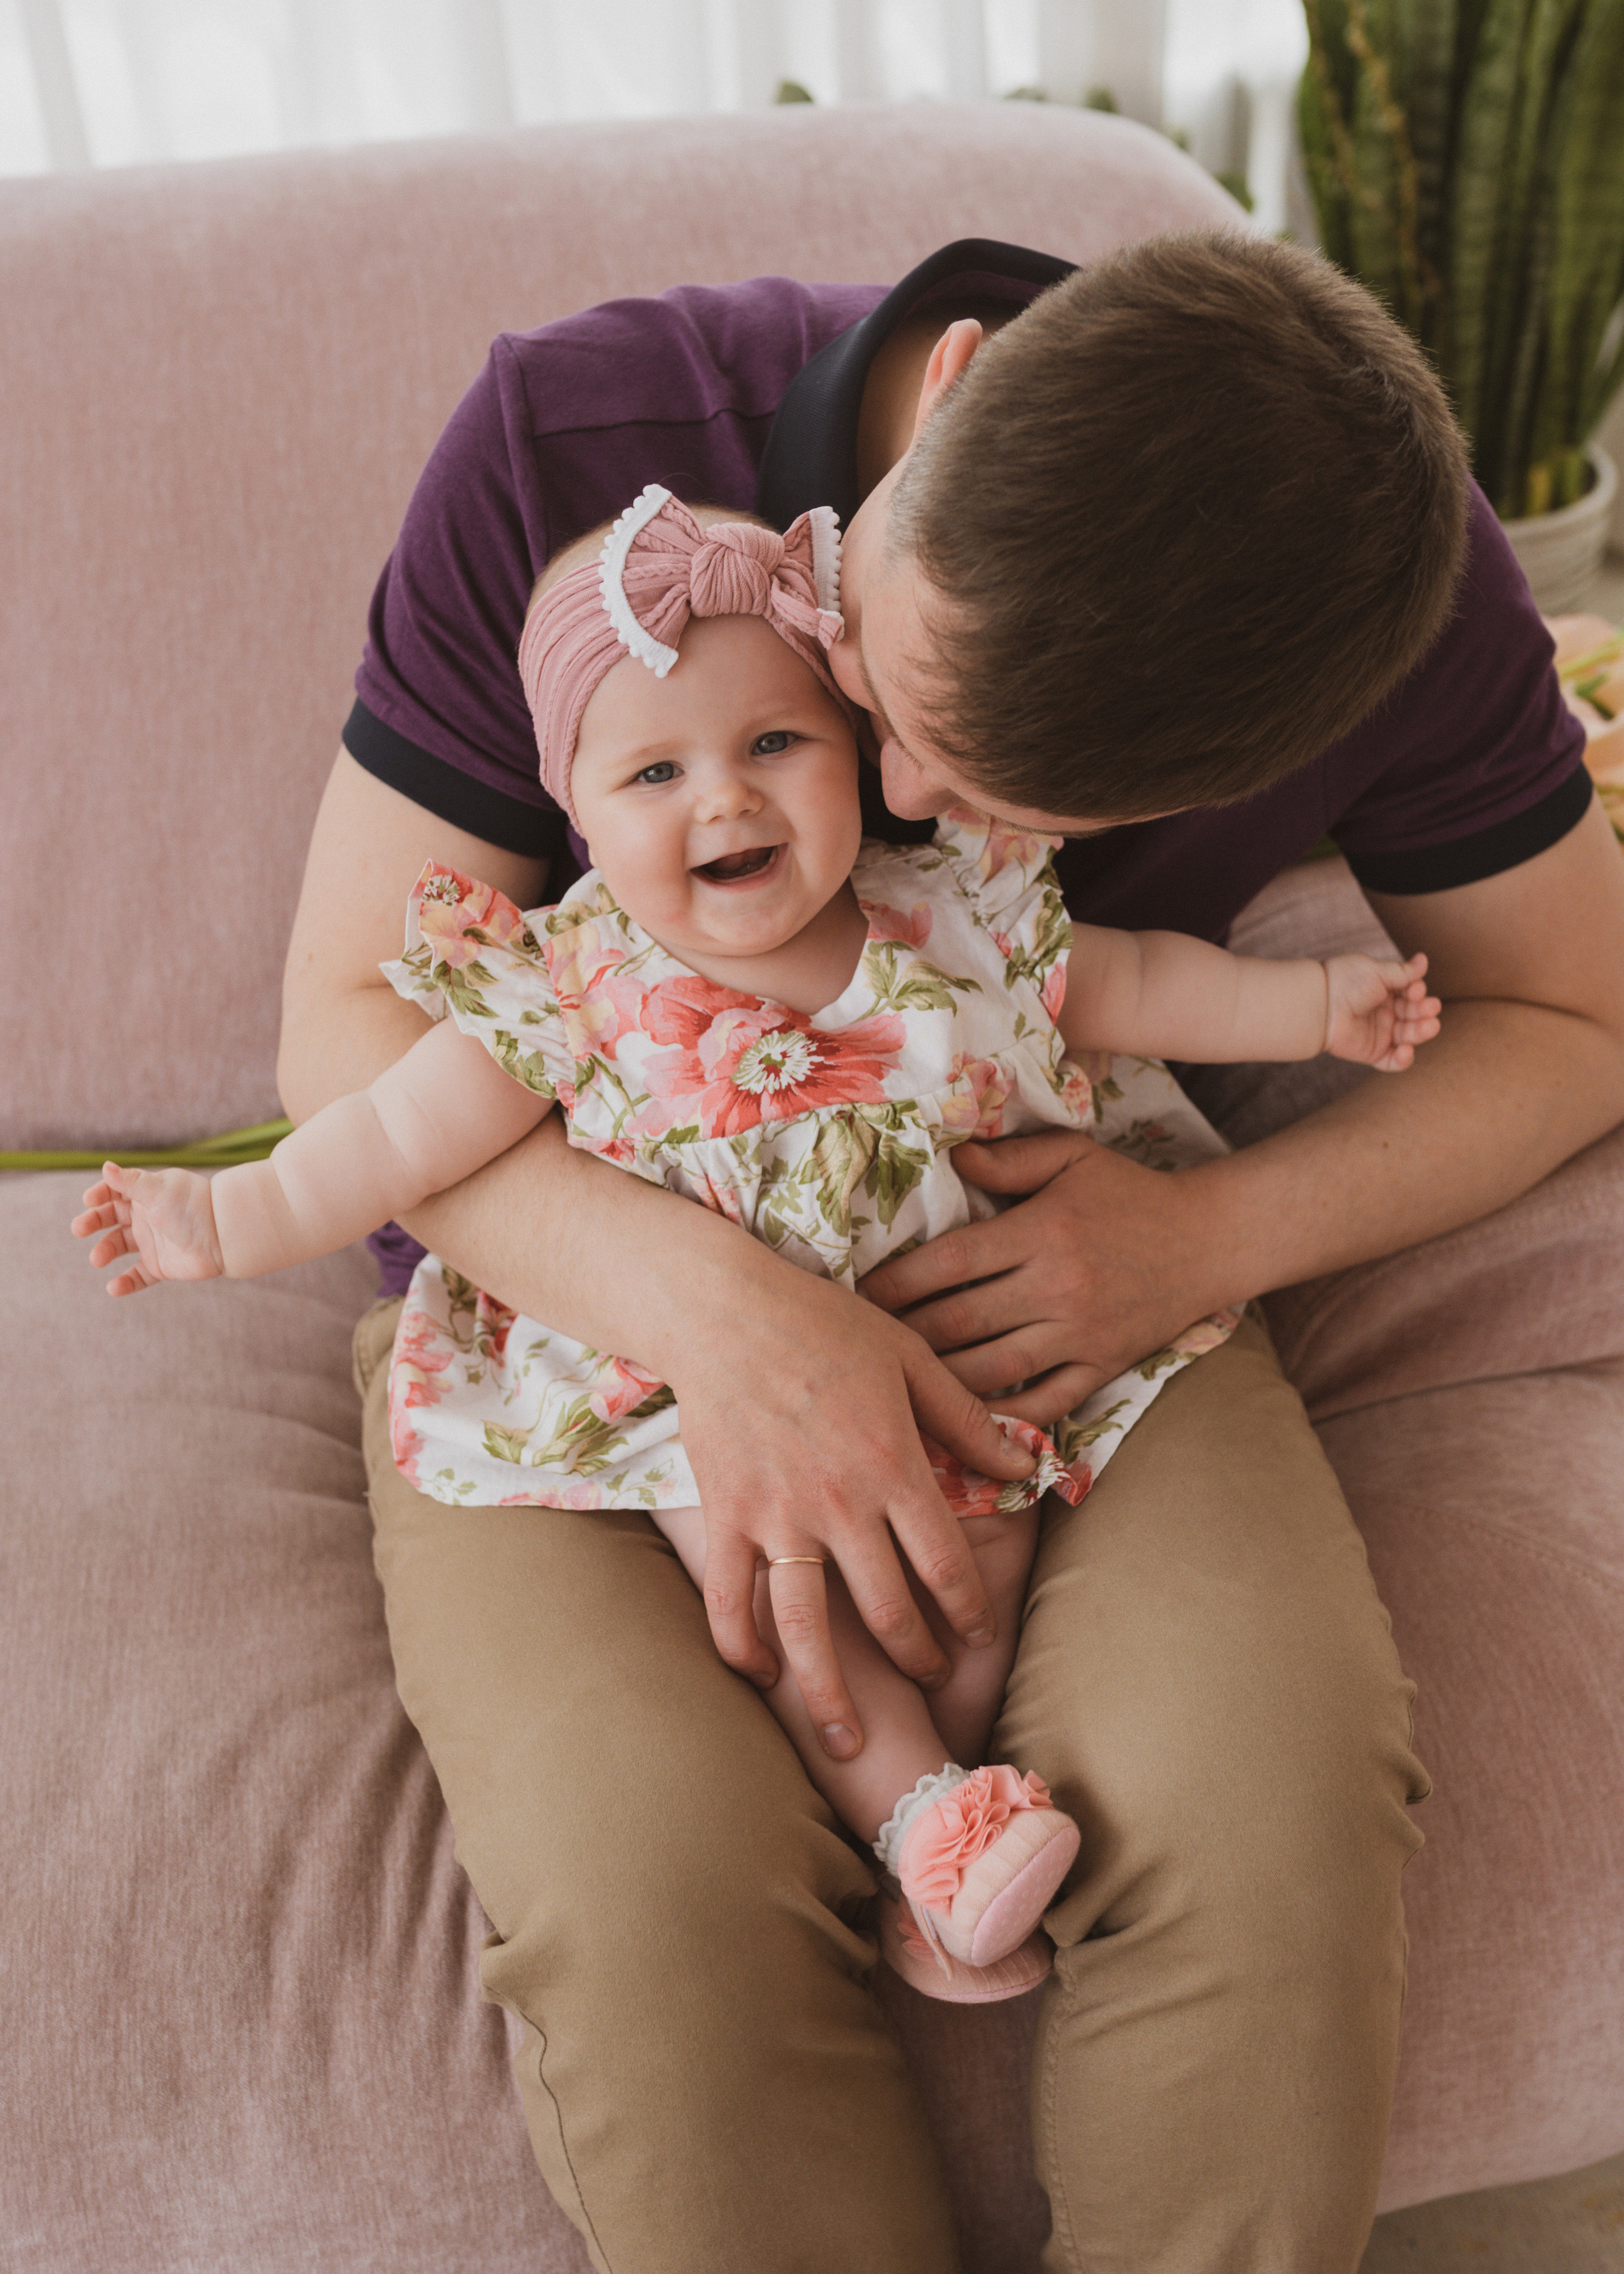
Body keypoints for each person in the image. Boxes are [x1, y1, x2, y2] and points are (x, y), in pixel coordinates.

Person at [267, 230, 1624, 2272]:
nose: (895, 807)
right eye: (896, 706)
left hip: (1075, 1257)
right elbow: (343, 1035)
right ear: (960, 386)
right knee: (660, 1907)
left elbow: (1578, 1011)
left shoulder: (1386, 596)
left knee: (1268, 1828)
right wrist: (725, 1324)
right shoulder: (577, 447)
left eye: (992, 796)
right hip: (573, 1325)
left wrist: (1206, 1241)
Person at [74, 487, 1440, 2017]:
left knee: (971, 1570)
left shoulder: (949, 915)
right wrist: (225, 1217)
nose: (722, 800)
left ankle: (943, 1845)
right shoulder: (574, 986)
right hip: (704, 1410)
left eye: (772, 745)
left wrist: (1319, 1007)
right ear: (575, 811)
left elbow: (1132, 988)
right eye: (654, 770)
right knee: (799, 1599)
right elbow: (389, 1139)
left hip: (961, 1368)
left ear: (854, 752)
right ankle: (923, 1815)